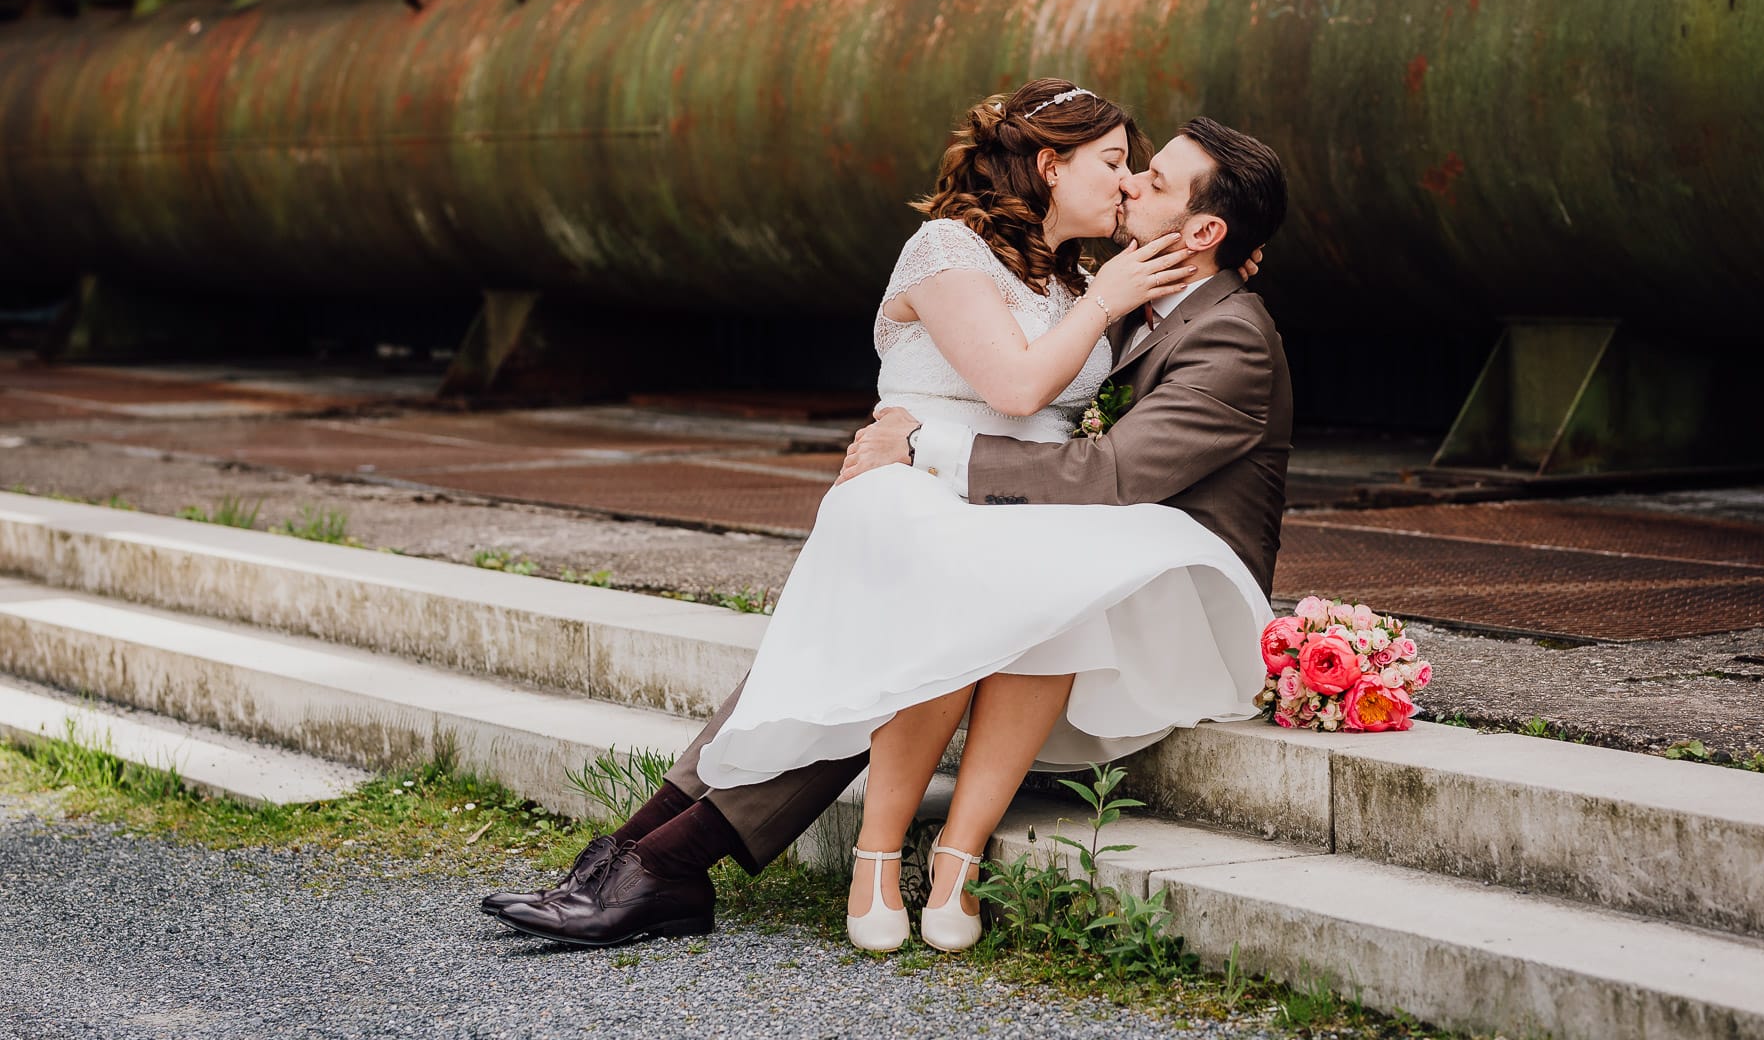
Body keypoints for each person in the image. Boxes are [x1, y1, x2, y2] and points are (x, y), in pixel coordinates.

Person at [485, 81, 1292, 954]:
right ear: (1050, 168)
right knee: (878, 633)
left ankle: (658, 862)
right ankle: (639, 859)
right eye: (1118, 164)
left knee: (892, 633)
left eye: (1151, 178)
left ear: (1204, 233)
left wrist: (926, 448)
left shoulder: (1143, 299)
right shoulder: (1014, 262)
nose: (1131, 182)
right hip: (1005, 512)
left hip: (1128, 554)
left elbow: (1103, 447)